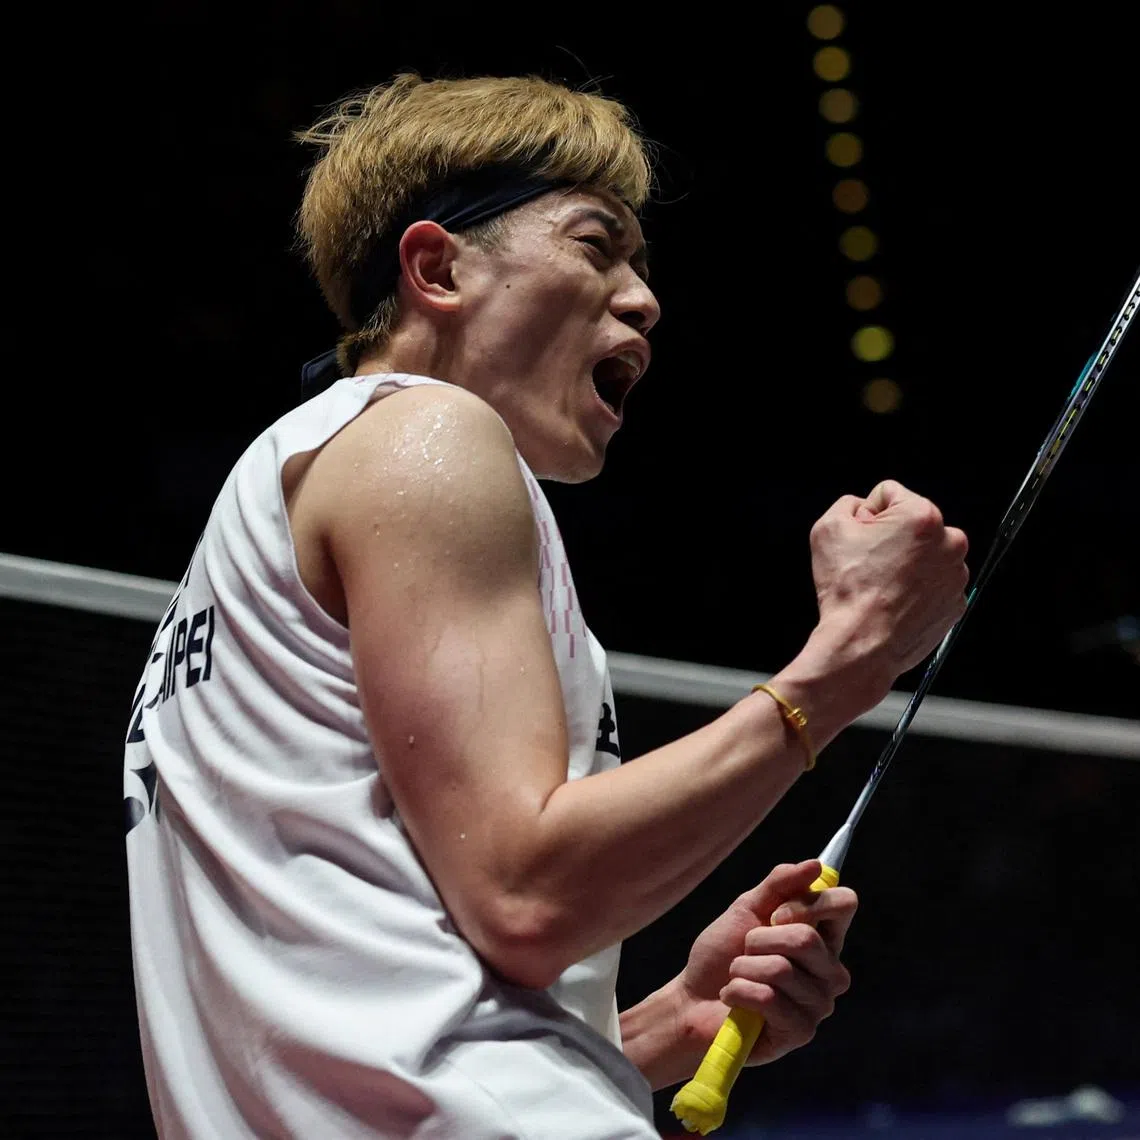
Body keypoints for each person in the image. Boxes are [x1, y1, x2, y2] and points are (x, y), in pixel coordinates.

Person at [123, 73, 969, 1139]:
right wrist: (848, 662)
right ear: (437, 267)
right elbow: (526, 897)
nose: (643, 298)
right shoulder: (425, 435)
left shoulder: (270, 510)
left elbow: (393, 987)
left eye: (642, 264)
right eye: (595, 244)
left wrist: (671, 1021)